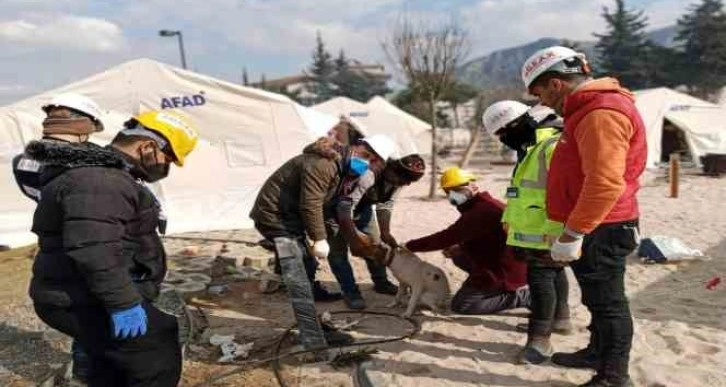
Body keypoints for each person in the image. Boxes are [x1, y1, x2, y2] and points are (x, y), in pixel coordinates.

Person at [28, 110, 199, 386]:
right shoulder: (101, 181)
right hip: (78, 297)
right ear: (147, 147)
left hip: (81, 291)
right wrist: (124, 304)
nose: (164, 168)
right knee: (156, 350)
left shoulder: (103, 174)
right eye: (166, 159)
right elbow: (94, 248)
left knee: (109, 364)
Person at [521, 46, 646, 387]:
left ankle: (613, 376)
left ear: (557, 83)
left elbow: (604, 183)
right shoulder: (588, 110)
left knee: (609, 304)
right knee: (596, 298)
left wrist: (573, 232)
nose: (543, 102)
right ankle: (597, 352)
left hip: (602, 225)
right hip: (595, 222)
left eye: (541, 92)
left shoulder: (600, 113)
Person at [249, 134, 393, 350]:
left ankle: (312, 316)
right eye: (366, 155)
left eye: (374, 161)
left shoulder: (342, 168)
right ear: (356, 146)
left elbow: (330, 203)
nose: (367, 163)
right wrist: (320, 238)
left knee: (304, 265)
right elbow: (311, 204)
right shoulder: (323, 164)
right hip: (275, 216)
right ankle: (312, 338)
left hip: (289, 217)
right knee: (299, 273)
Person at [12, 93, 105, 383]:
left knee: (82, 315)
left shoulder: (23, 161)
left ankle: (85, 370)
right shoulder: (86, 165)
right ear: (83, 126)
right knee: (94, 314)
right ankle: (90, 372)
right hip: (84, 243)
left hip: (55, 245)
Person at [483, 100, 572, 365]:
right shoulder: (530, 146)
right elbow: (523, 191)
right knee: (554, 273)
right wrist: (510, 218)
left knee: (541, 279)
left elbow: (566, 191)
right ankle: (561, 319)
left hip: (548, 228)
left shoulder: (550, 145)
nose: (503, 140)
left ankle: (539, 341)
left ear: (516, 124)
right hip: (535, 226)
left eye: (502, 134)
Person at [403, 167, 529, 315]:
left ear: (473, 186)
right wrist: (461, 248)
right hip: (505, 263)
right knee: (458, 255)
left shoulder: (480, 212)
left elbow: (443, 238)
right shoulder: (481, 205)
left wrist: (409, 246)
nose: (452, 195)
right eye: (448, 191)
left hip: (504, 271)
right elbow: (479, 237)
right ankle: (492, 288)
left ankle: (521, 298)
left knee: (463, 305)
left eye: (456, 189)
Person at [328, 153, 425, 309]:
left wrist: (385, 232)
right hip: (335, 209)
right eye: (403, 180)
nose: (404, 184)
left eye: (408, 182)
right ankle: (350, 292)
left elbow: (385, 204)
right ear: (392, 170)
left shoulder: (398, 181)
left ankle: (381, 282)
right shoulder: (368, 175)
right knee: (338, 252)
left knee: (376, 244)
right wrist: (354, 237)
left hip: (362, 208)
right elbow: (345, 208)